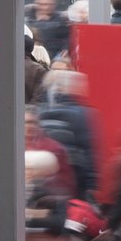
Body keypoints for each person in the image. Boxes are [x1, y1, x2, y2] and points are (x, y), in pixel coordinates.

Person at [38, 69, 101, 203]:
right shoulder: (84, 114)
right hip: (75, 180)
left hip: (47, 180)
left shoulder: (41, 111)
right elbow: (90, 151)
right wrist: (92, 184)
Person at [30, 0, 72, 64]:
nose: (45, 7)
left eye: (48, 4)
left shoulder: (61, 19)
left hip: (55, 55)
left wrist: (66, 48)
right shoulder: (28, 17)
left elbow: (68, 37)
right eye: (41, 4)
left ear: (54, 5)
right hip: (34, 55)